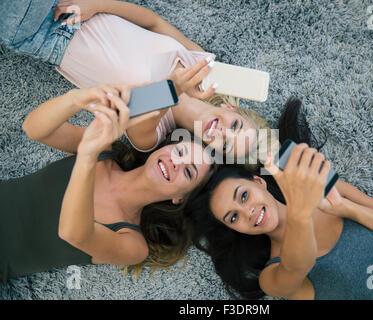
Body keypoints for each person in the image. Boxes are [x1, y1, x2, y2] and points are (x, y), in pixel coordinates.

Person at [183, 99, 373, 300]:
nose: (248, 212)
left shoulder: (327, 190)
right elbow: (299, 264)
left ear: (259, 181)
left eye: (243, 196)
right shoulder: (273, 274)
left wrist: (346, 208)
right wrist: (299, 214)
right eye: (233, 217)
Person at [0, 0, 275, 166]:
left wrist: (175, 86)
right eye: (236, 127)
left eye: (225, 145)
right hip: (84, 6)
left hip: (49, 34)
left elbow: (139, 103)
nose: (223, 132)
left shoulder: (152, 137)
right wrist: (99, 4)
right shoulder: (203, 65)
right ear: (230, 109)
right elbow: (154, 22)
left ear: (209, 149)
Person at [0, 82, 215, 285]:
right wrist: (75, 99)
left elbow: (72, 233)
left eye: (188, 171)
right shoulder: (104, 149)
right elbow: (33, 128)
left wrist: (87, 156)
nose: (175, 162)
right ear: (162, 148)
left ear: (180, 198)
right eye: (179, 151)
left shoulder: (133, 244)